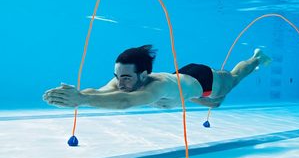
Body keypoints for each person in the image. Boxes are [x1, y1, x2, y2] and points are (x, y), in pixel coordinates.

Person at [43, 45, 271, 110]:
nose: (119, 83)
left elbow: (124, 102)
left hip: (204, 80)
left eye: (126, 78)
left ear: (143, 75)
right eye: (117, 77)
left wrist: (82, 101)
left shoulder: (156, 87)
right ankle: (210, 102)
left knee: (232, 78)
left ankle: (257, 58)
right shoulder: (125, 79)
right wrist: (77, 94)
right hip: (181, 79)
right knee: (215, 105)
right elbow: (98, 92)